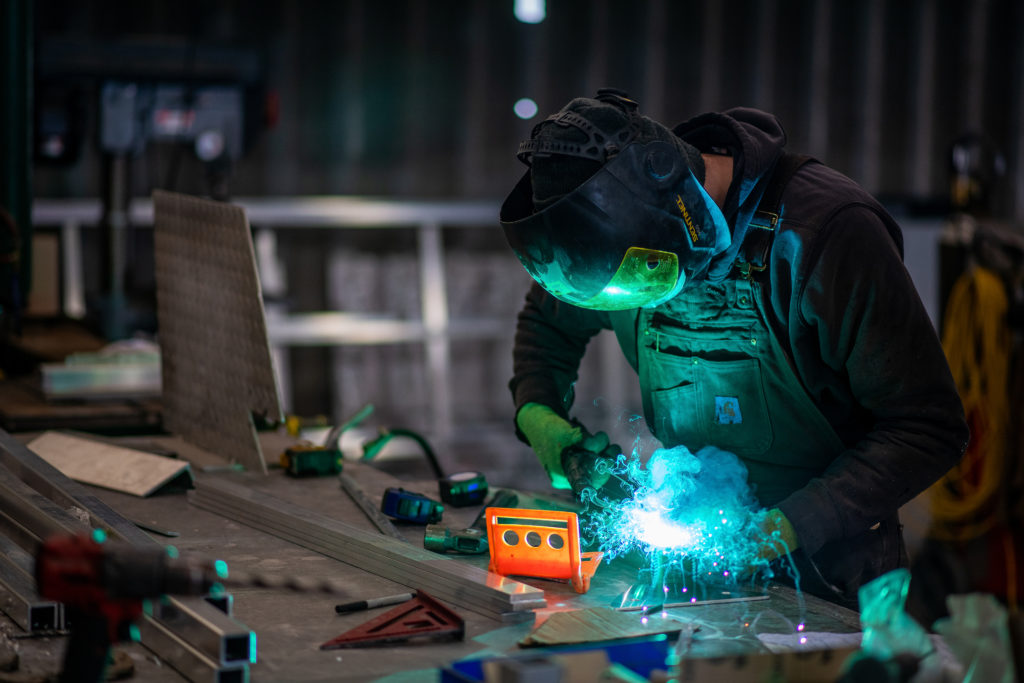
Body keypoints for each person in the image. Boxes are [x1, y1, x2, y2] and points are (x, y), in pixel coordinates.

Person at [499, 89, 969, 608]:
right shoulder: (607, 239)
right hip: (688, 566)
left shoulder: (827, 232)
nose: (639, 302)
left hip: (829, 573)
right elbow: (547, 325)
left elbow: (928, 427)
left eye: (647, 282)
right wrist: (543, 422)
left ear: (683, 216)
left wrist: (785, 528)